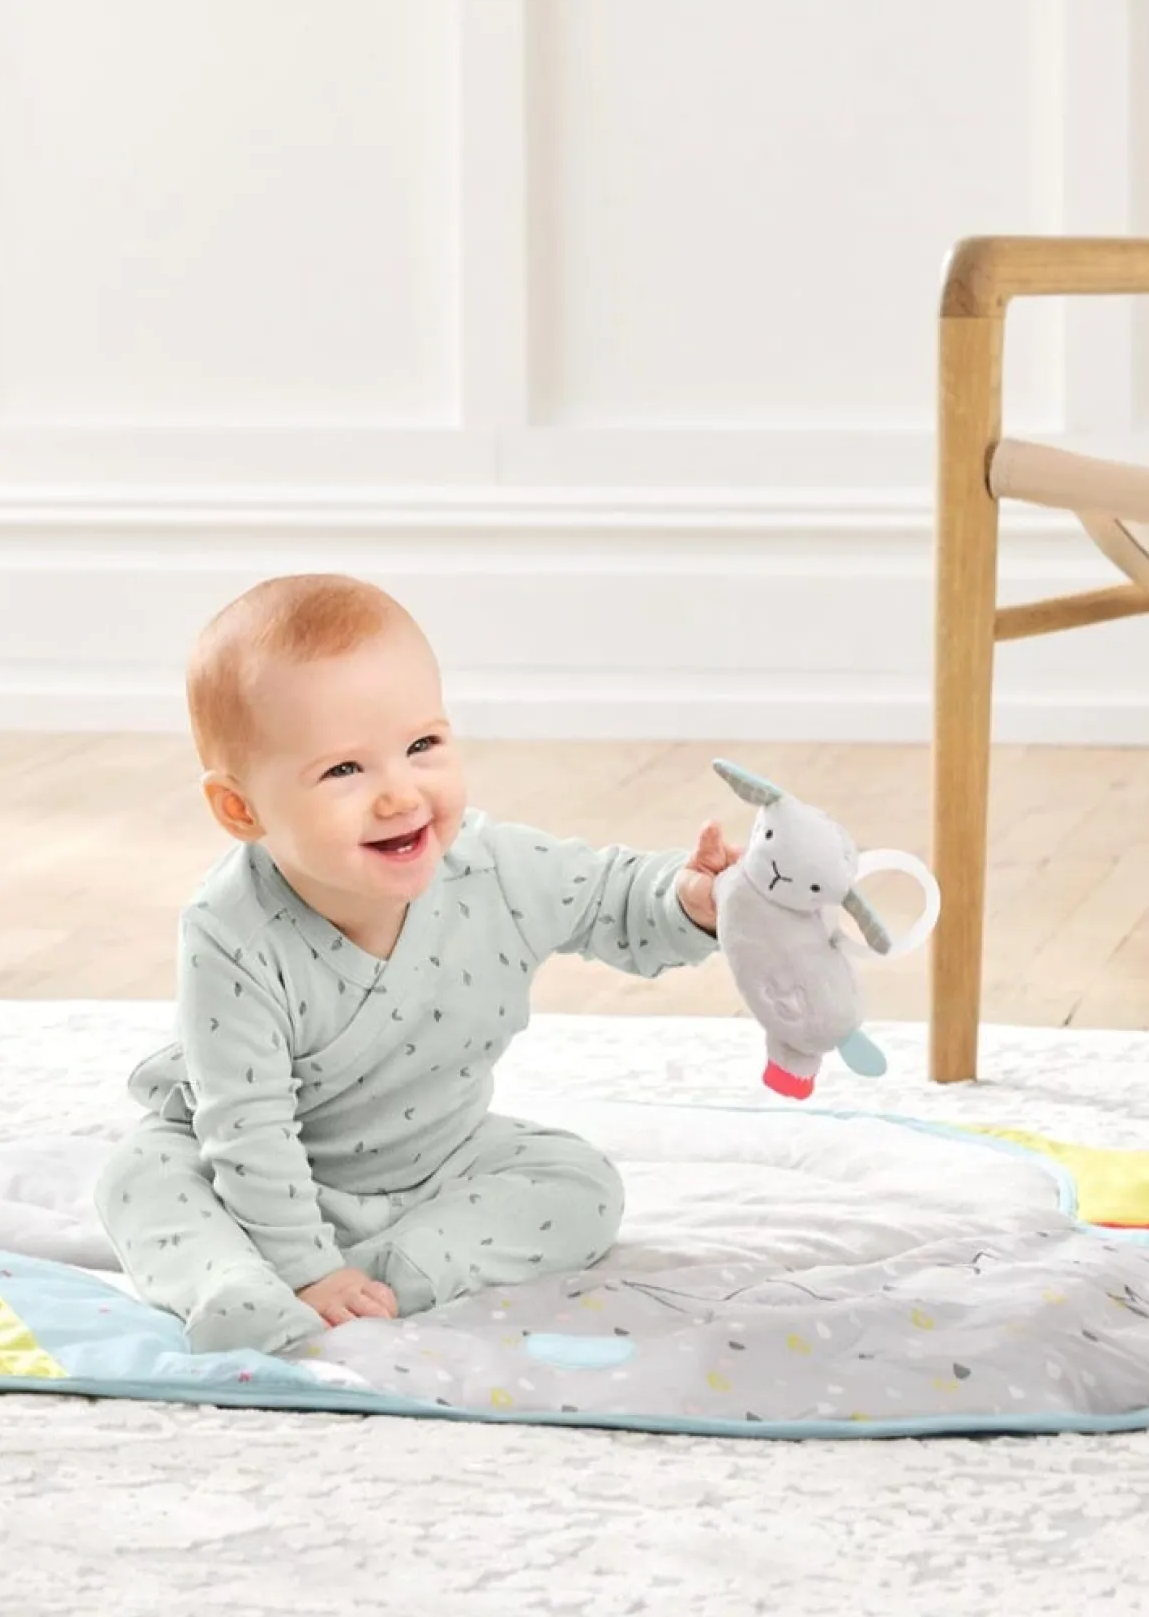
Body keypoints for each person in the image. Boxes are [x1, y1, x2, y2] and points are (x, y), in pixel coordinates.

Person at [96, 573, 738, 1353]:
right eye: (344, 770)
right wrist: (303, 1266)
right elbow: (245, 1127)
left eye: (421, 747)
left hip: (436, 1164)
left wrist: (691, 900)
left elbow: (610, 896)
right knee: (141, 1175)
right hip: (243, 1175)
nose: (400, 794)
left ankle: (387, 1278)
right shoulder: (230, 930)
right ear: (241, 809)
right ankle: (233, 1287)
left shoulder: (494, 870)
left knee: (580, 1184)